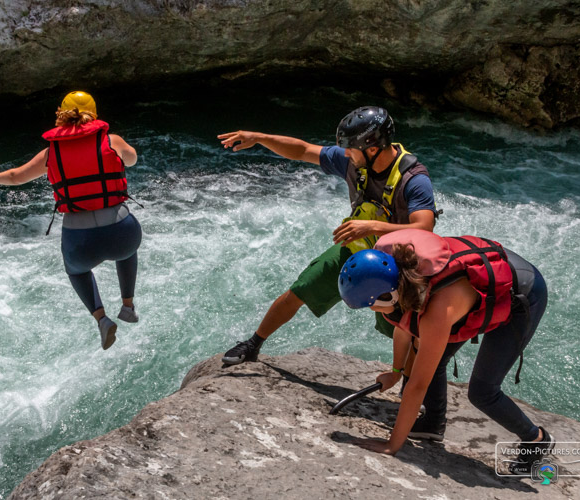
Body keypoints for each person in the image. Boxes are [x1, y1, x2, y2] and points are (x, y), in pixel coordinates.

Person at [217, 106, 438, 365]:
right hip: (359, 248)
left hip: (400, 262)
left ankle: (412, 384)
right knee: (302, 288)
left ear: (372, 148)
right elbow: (302, 150)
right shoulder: (353, 161)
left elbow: (424, 227)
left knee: (407, 328)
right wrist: (260, 138)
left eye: (349, 148)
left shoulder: (414, 178)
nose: (344, 153)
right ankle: (253, 344)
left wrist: (371, 227)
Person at [338, 228, 554, 474]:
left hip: (523, 294)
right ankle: (433, 422)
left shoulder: (437, 311)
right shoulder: (394, 271)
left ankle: (536, 439)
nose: (372, 310)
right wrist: (396, 372)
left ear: (388, 296)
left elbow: (419, 383)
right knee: (432, 356)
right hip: (484, 279)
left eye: (371, 305)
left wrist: (392, 445)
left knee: (483, 392)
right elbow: (404, 329)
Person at [0, 91, 141, 350]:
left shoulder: (50, 153)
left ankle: (101, 319)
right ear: (94, 114)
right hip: (122, 231)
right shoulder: (112, 141)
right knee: (127, 252)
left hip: (80, 239)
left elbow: (16, 177)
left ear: (61, 117)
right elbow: (131, 159)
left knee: (76, 270)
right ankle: (128, 306)